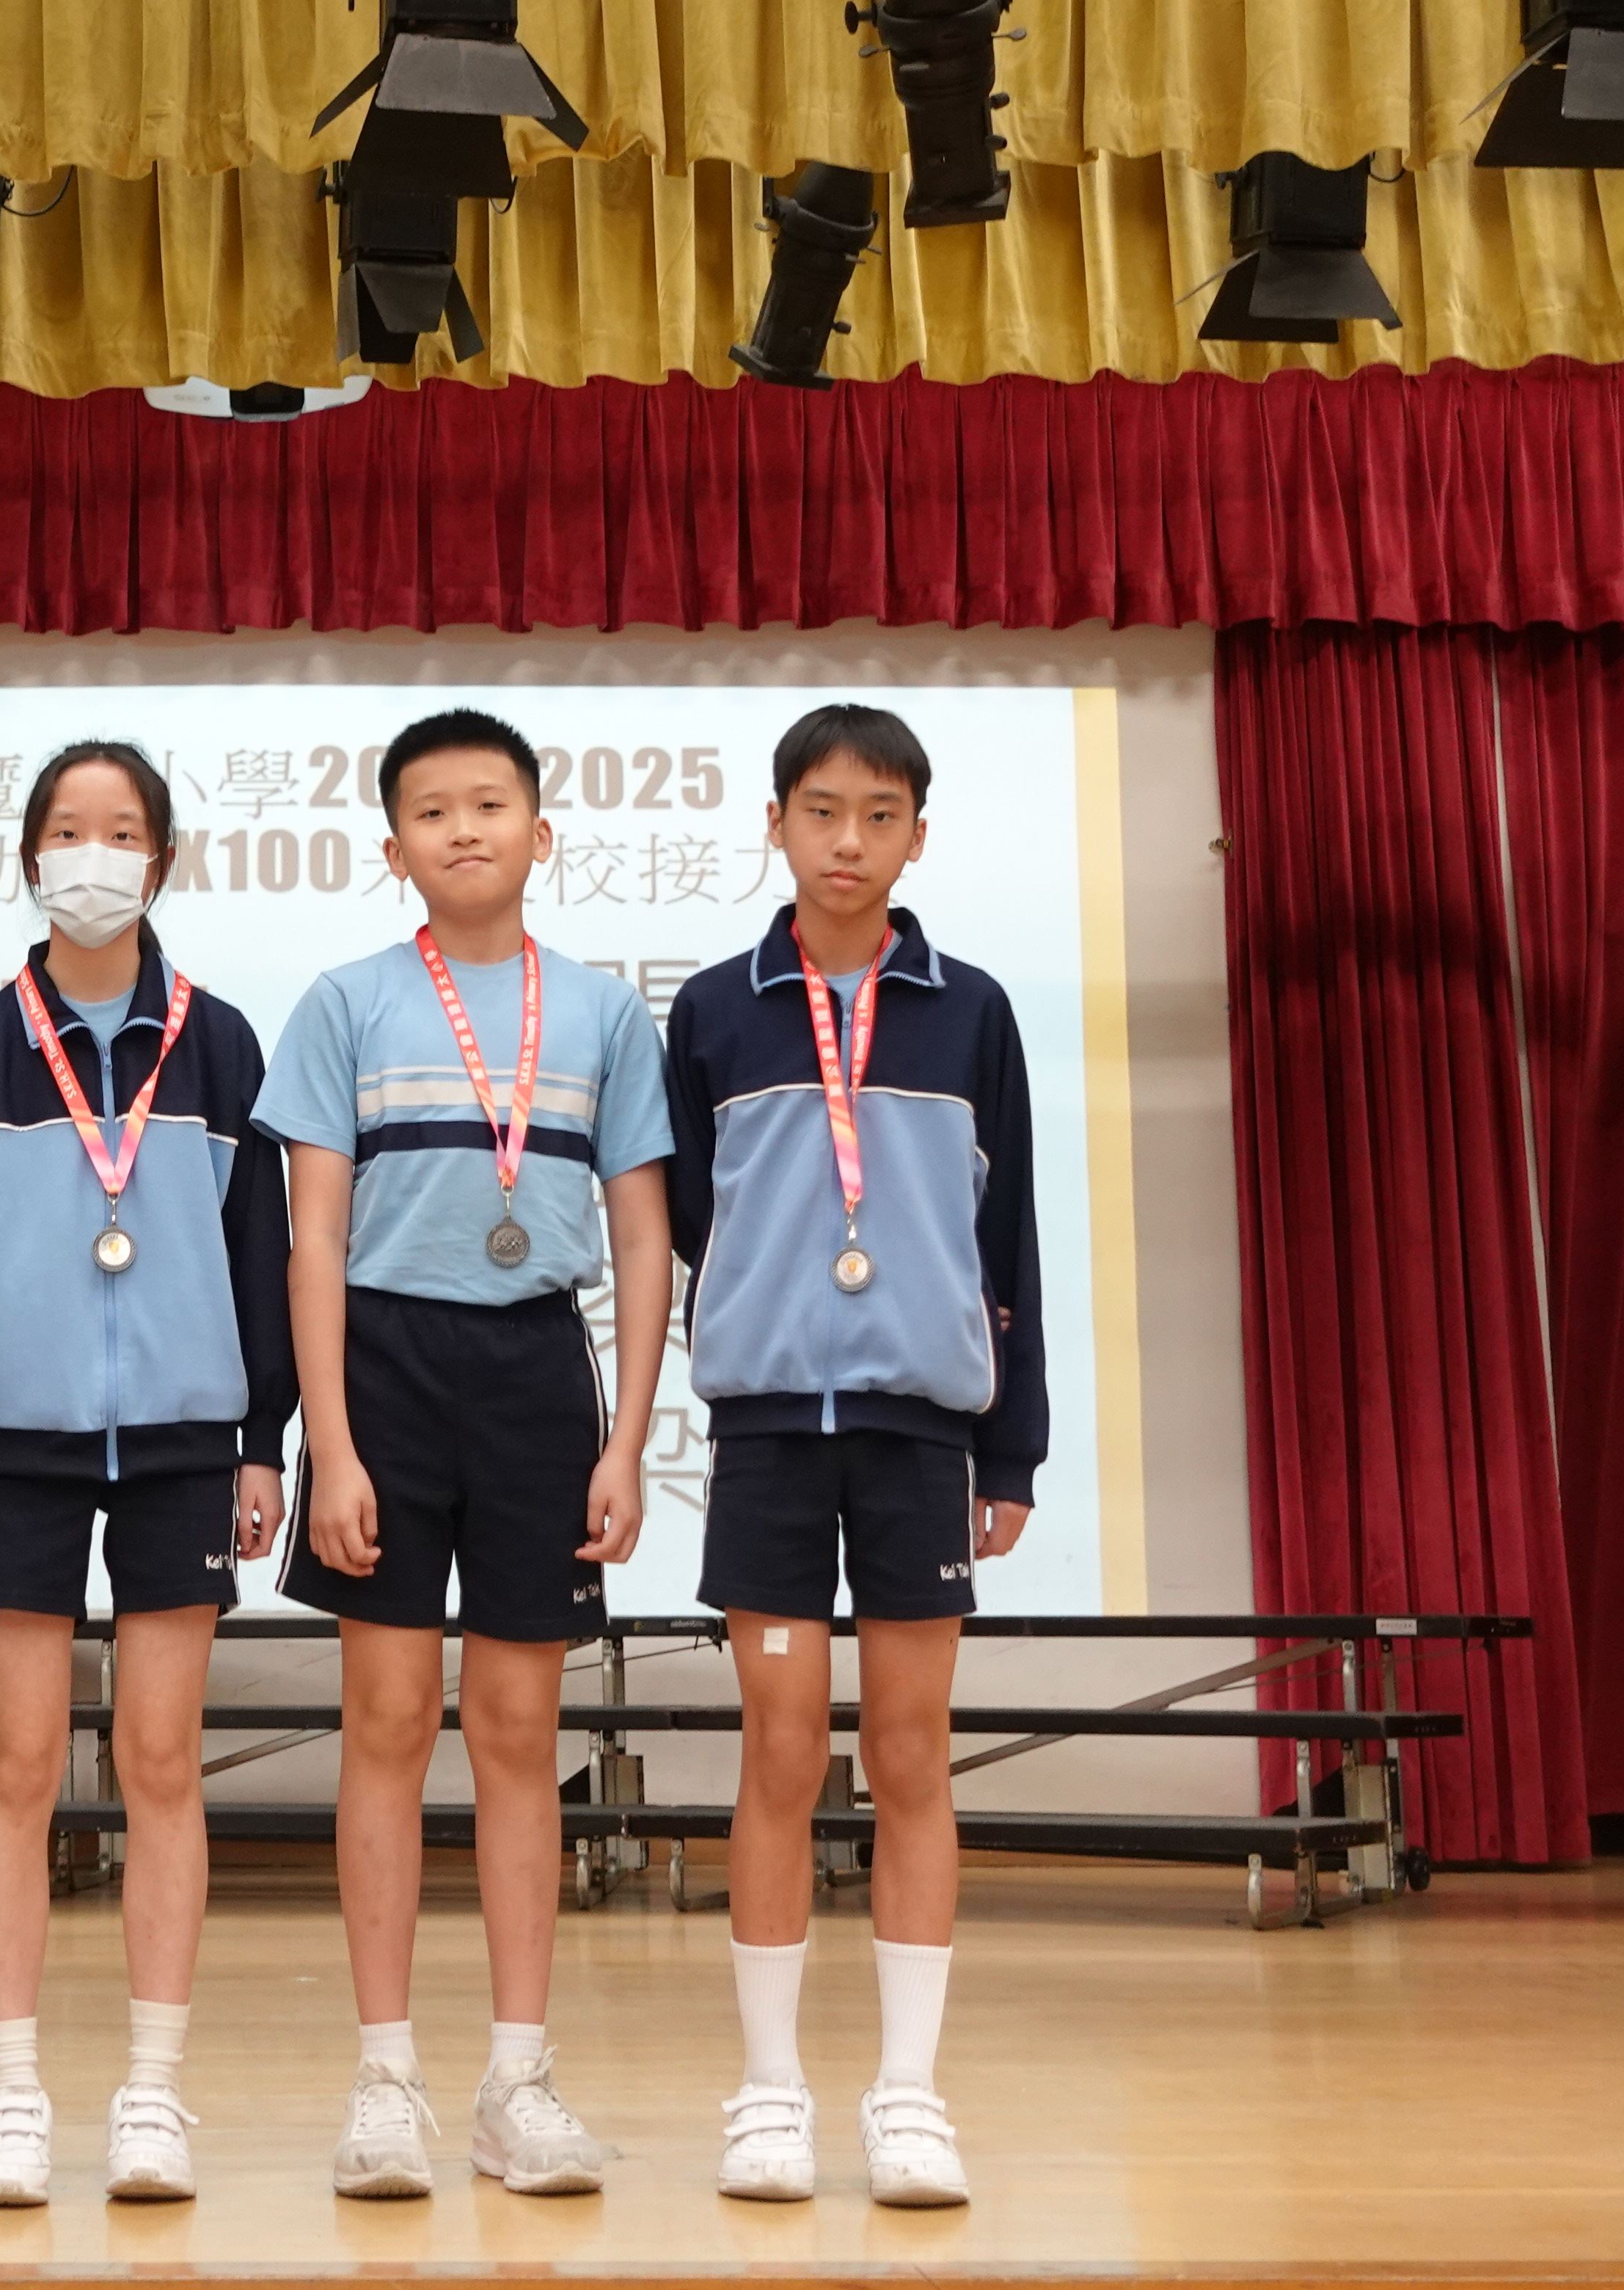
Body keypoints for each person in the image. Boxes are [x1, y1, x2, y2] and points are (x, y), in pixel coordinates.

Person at [257, 707, 675, 2200]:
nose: (463, 829)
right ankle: (384, 2082)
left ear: (540, 832)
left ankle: (517, 2082)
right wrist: (332, 1443)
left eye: (489, 804)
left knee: (514, 1731)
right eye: (431, 811)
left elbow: (642, 1237)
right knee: (383, 1723)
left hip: (534, 1376)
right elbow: (312, 1237)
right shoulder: (344, 1003)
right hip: (382, 1366)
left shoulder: (605, 1013)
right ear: (393, 849)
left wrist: (626, 1439)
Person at [0, 741, 295, 2207]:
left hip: (187, 1445)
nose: (93, 855)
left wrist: (263, 1435)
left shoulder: (223, 1042)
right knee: (15, 1765)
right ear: (30, 858)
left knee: (161, 1762)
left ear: (161, 861)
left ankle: (153, 2093)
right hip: (18, 1446)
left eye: (121, 831)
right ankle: (10, 2096)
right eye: (68, 830)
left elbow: (263, 1253)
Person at [662, 702, 1042, 2208]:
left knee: (908, 1752)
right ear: (775, 823)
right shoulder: (713, 1009)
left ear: (916, 837)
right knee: (776, 1749)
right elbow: (688, 1221)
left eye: (879, 816)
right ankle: (767, 2092)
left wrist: (1012, 1450)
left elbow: (1005, 1237)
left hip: (918, 1429)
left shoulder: (972, 1011)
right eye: (820, 811)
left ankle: (908, 2095)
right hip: (767, 1429)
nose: (847, 841)